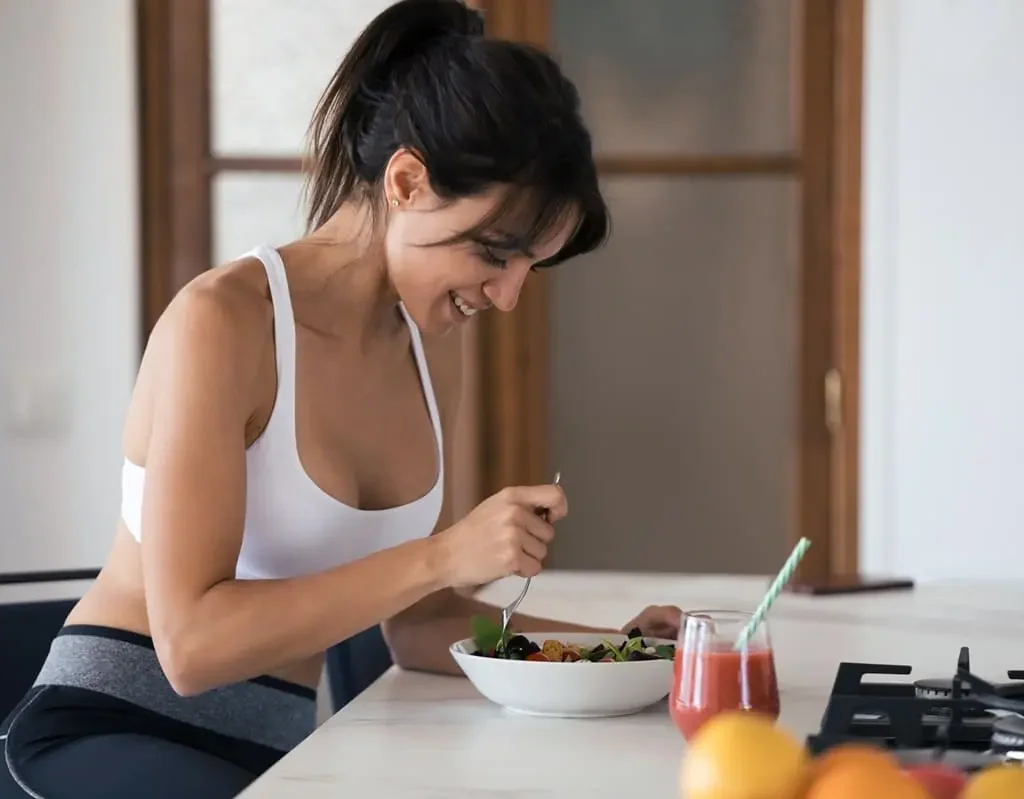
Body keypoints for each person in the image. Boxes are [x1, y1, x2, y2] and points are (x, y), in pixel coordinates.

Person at [1, 1, 682, 796]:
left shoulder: (431, 347)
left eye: (531, 266)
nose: (505, 297)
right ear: (406, 180)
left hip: (271, 755)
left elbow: (420, 621)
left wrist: (618, 651)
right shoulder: (225, 321)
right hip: (106, 732)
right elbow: (190, 647)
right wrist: (443, 551)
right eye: (495, 254)